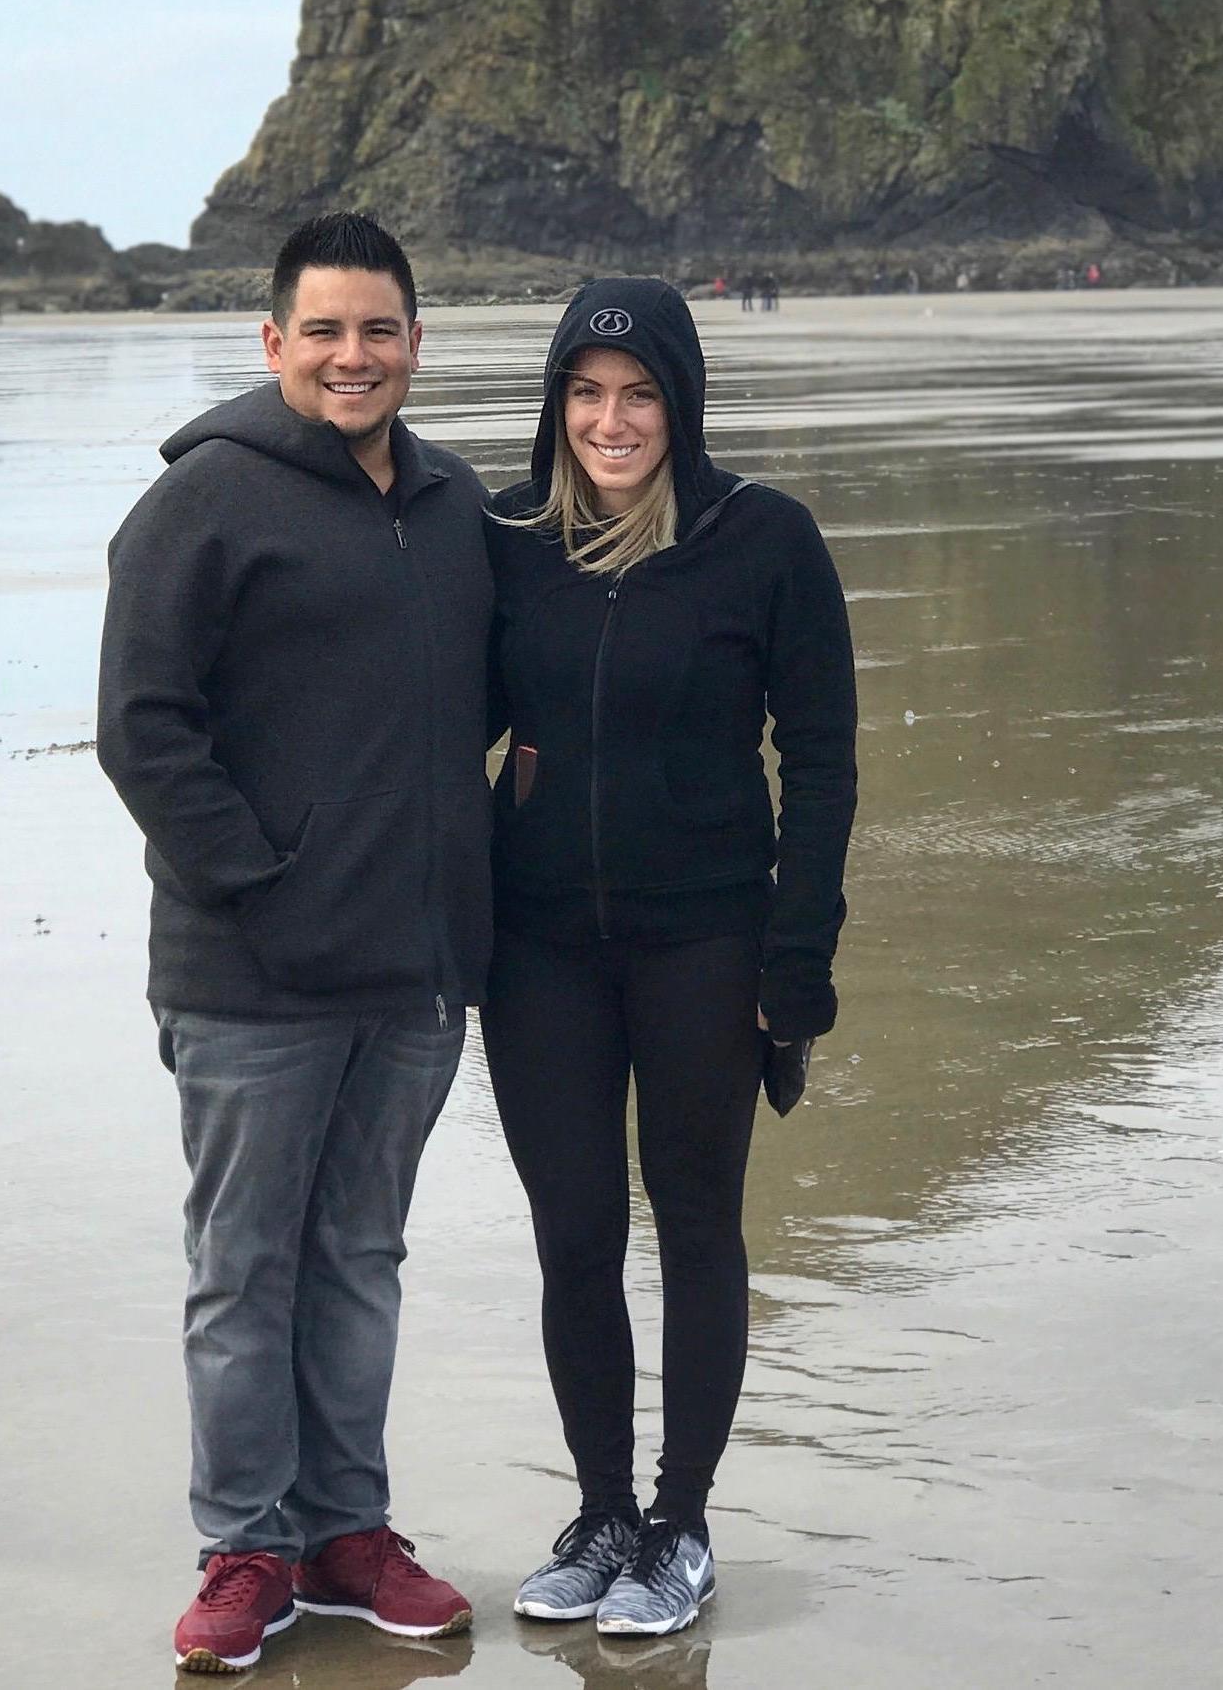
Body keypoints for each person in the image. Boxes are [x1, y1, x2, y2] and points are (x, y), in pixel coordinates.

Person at [97, 212, 492, 1676]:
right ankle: (245, 1546)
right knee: (243, 1265)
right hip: (251, 974)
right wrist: (264, 885)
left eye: (377, 330)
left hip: (414, 976)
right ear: (273, 345)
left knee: (359, 1255)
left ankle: (346, 1533)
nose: (351, 355)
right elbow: (143, 727)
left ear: (413, 344)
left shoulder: (454, 506)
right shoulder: (203, 503)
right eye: (322, 331)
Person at [481, 277, 857, 1640]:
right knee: (575, 1235)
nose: (611, 418)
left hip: (706, 939)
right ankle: (600, 1518)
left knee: (695, 1227)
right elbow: (429, 714)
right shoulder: (509, 541)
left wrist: (796, 965)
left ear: (681, 402)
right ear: (555, 404)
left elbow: (819, 766)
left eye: (638, 394)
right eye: (585, 392)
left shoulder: (765, 542)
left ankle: (681, 1521)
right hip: (539, 955)